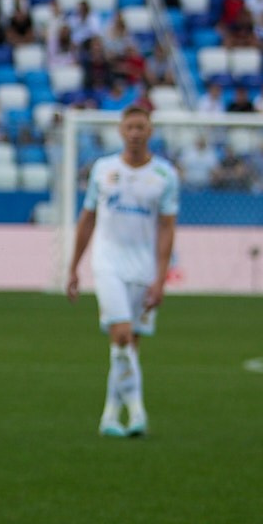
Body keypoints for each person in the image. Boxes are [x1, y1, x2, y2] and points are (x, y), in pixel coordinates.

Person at [65, 101, 180, 437]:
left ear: (150, 131)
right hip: (108, 262)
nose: (134, 134)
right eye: (129, 127)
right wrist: (73, 267)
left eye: (140, 128)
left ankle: (110, 417)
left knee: (129, 346)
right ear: (120, 131)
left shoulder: (165, 176)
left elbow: (167, 229)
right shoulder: (103, 170)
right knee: (121, 334)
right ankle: (138, 412)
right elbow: (87, 219)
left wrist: (161, 278)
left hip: (143, 267)